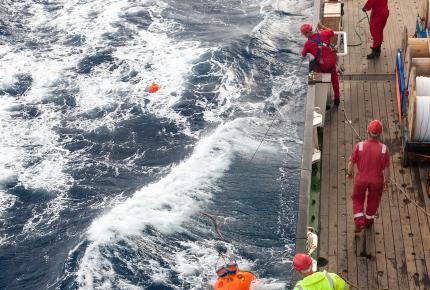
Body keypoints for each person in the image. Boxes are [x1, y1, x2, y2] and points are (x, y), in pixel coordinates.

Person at [347, 120, 390, 233]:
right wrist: (387, 182)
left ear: (368, 131)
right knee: (374, 201)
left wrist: (349, 174)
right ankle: (368, 223)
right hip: (377, 181)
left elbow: (351, 163)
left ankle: (359, 222)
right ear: (380, 133)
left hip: (361, 179)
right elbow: (386, 169)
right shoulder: (384, 149)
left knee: (357, 199)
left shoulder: (359, 146)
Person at [300, 22, 340, 107]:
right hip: (331, 63)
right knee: (335, 80)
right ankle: (337, 98)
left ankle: (322, 100)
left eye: (304, 34)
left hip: (322, 67)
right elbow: (331, 32)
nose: (304, 36)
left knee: (313, 77)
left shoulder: (308, 44)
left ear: (307, 33)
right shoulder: (324, 33)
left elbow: (303, 54)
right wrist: (322, 27)